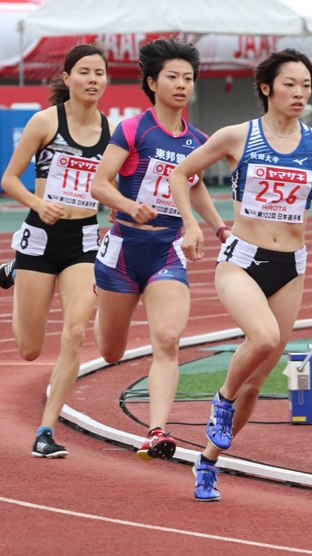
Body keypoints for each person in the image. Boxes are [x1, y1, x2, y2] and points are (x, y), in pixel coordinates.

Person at [168, 48, 312, 501]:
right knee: (265, 338)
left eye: (306, 85)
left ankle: (208, 462)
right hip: (241, 259)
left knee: (257, 381)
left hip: (290, 267)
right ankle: (221, 398)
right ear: (266, 87)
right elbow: (182, 174)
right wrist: (193, 224)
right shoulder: (238, 136)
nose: (299, 92)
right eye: (290, 84)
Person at [91, 37, 228, 462]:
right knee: (111, 352)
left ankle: (156, 431)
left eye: (188, 78)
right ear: (152, 82)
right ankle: (102, 299)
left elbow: (196, 185)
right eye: (173, 77)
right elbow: (99, 184)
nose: (182, 85)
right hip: (122, 251)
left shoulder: (198, 140)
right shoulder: (133, 129)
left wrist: (220, 227)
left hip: (167, 251)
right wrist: (131, 206)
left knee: (167, 339)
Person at [0, 44, 112, 457]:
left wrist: (118, 207)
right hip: (41, 239)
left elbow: (112, 185)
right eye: (84, 72)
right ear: (67, 78)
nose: (93, 79)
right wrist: (37, 202)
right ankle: (14, 270)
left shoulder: (110, 131)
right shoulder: (45, 122)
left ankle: (45, 430)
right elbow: (10, 179)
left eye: (99, 72)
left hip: (83, 241)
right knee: (29, 349)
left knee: (76, 333)